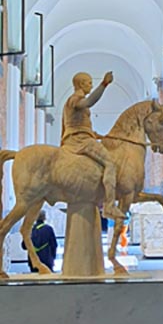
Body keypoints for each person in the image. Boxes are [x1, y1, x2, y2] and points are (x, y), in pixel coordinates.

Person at [60, 71, 122, 221]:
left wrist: (96, 135)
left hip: (83, 136)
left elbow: (78, 124)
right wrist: (104, 84)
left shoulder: (74, 100)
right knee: (110, 164)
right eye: (89, 83)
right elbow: (88, 102)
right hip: (80, 140)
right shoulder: (75, 99)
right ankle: (109, 206)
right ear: (81, 84)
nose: (91, 85)